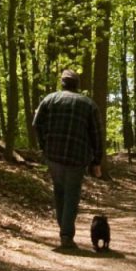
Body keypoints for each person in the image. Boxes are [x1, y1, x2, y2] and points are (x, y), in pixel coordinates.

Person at [30, 69, 103, 250]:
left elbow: (36, 124)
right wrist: (96, 160)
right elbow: (96, 134)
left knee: (59, 191)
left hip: (53, 154)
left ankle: (65, 231)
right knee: (71, 194)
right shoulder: (88, 104)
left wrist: (43, 145)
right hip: (77, 156)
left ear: (62, 83)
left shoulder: (49, 99)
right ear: (77, 85)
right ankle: (66, 235)